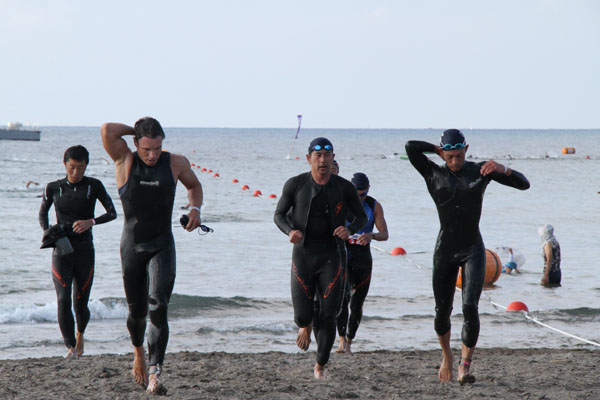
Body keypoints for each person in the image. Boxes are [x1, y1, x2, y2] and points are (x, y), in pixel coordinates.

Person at [405, 129, 530, 384]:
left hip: (473, 248)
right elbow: (410, 147)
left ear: (467, 150)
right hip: (445, 250)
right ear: (443, 154)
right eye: (449, 156)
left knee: (470, 307)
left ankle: (465, 365)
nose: (455, 161)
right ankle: (447, 357)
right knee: (442, 312)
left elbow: (524, 184)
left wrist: (503, 169)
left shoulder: (480, 171)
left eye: (459, 155)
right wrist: (436, 149)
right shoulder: (432, 173)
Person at [101, 117, 203, 394]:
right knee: (137, 313)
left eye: (157, 148)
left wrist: (195, 210)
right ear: (135, 143)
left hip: (162, 245)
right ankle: (138, 353)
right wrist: (136, 130)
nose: (153, 155)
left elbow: (194, 187)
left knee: (159, 305)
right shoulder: (125, 160)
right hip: (132, 246)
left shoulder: (175, 163)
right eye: (146, 149)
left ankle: (156, 373)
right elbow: (108, 130)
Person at [274, 137, 367, 379]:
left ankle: (320, 365)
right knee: (303, 315)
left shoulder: (344, 187)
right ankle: (304, 326)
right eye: (318, 156)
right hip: (303, 255)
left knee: (328, 315)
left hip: (331, 255)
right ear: (309, 159)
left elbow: (361, 217)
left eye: (327, 156)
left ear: (333, 158)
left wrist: (349, 229)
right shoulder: (295, 184)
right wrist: (289, 231)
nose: (323, 160)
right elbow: (278, 214)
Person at [38, 145, 117, 359]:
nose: (76, 172)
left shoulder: (94, 186)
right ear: (65, 164)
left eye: (81, 168)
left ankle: (80, 334)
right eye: (72, 167)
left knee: (80, 304)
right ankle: (70, 347)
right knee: (63, 300)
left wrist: (91, 222)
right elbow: (43, 213)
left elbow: (112, 213)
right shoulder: (53, 187)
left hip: (84, 250)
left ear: (86, 166)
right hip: (62, 249)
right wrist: (49, 233)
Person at [336, 172, 388, 353]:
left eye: (363, 194)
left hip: (363, 257)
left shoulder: (374, 205)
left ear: (368, 190)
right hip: (344, 253)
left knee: (357, 304)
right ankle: (341, 339)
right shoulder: (342, 202)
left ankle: (350, 341)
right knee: (342, 299)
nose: (360, 198)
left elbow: (385, 234)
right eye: (357, 194)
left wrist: (371, 235)